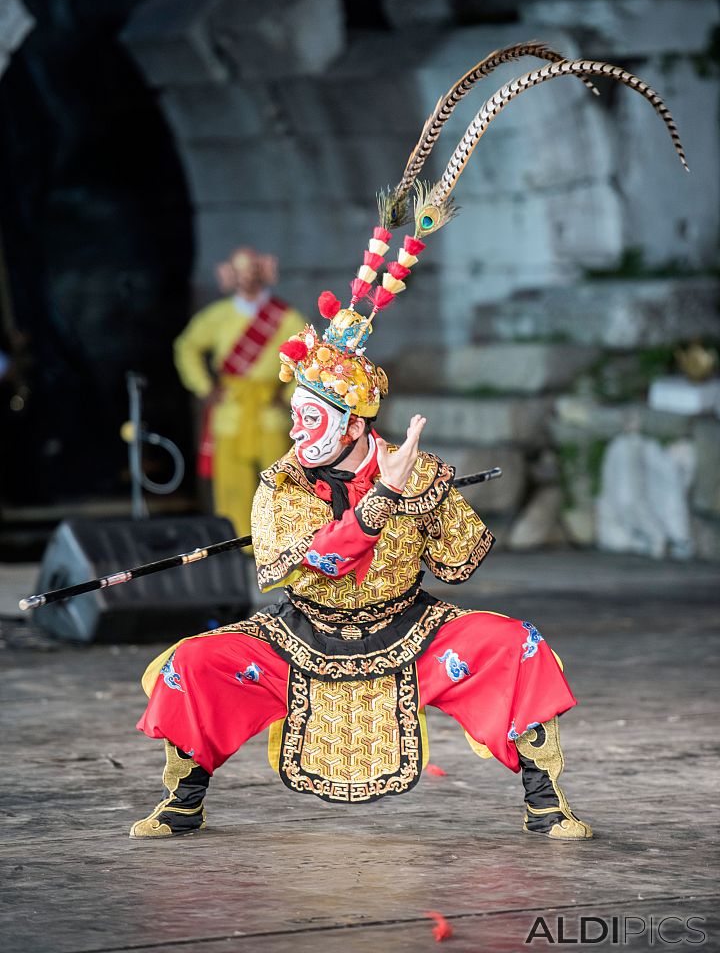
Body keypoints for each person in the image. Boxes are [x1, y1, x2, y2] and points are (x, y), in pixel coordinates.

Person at [130, 43, 687, 842]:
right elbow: (305, 563)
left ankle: (546, 797)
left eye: (313, 416)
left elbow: (462, 560)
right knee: (193, 662)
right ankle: (183, 794)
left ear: (354, 422)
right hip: (301, 636)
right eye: (298, 413)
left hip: (410, 630)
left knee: (516, 645)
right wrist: (379, 501)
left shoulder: (409, 463)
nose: (299, 427)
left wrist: (429, 492)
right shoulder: (283, 485)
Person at [174, 247, 304, 535]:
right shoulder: (217, 316)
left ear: (264, 271)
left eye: (252, 270)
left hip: (268, 410)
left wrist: (290, 394)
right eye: (240, 271)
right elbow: (186, 347)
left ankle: (279, 540)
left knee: (278, 480)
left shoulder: (285, 318)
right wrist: (205, 387)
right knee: (232, 483)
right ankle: (237, 542)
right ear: (230, 275)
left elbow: (308, 354)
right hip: (230, 409)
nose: (247, 278)